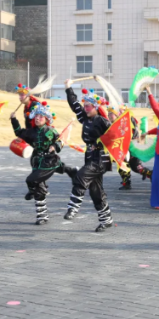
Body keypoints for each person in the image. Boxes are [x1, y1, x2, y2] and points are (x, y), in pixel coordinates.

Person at [63, 82, 114, 232]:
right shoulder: (85, 119)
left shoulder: (102, 121)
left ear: (96, 107)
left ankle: (73, 207)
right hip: (90, 157)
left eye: (88, 106)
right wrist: (68, 88)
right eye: (85, 106)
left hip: (101, 158)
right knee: (95, 190)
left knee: (81, 175)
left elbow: (116, 135)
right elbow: (74, 105)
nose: (85, 109)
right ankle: (106, 220)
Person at [11, 102, 65, 225]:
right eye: (36, 116)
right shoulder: (31, 132)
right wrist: (14, 119)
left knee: (36, 185)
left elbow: (61, 141)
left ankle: (41, 214)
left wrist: (55, 146)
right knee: (38, 186)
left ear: (46, 119)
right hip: (36, 161)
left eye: (41, 116)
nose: (37, 118)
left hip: (48, 161)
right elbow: (19, 132)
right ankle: (42, 215)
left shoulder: (50, 130)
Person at [108, 105, 152, 191]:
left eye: (111, 114)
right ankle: (127, 182)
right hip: (125, 148)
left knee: (135, 166)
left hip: (130, 148)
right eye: (108, 114)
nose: (109, 116)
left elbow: (130, 135)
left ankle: (151, 175)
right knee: (125, 166)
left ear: (117, 114)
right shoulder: (116, 123)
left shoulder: (125, 121)